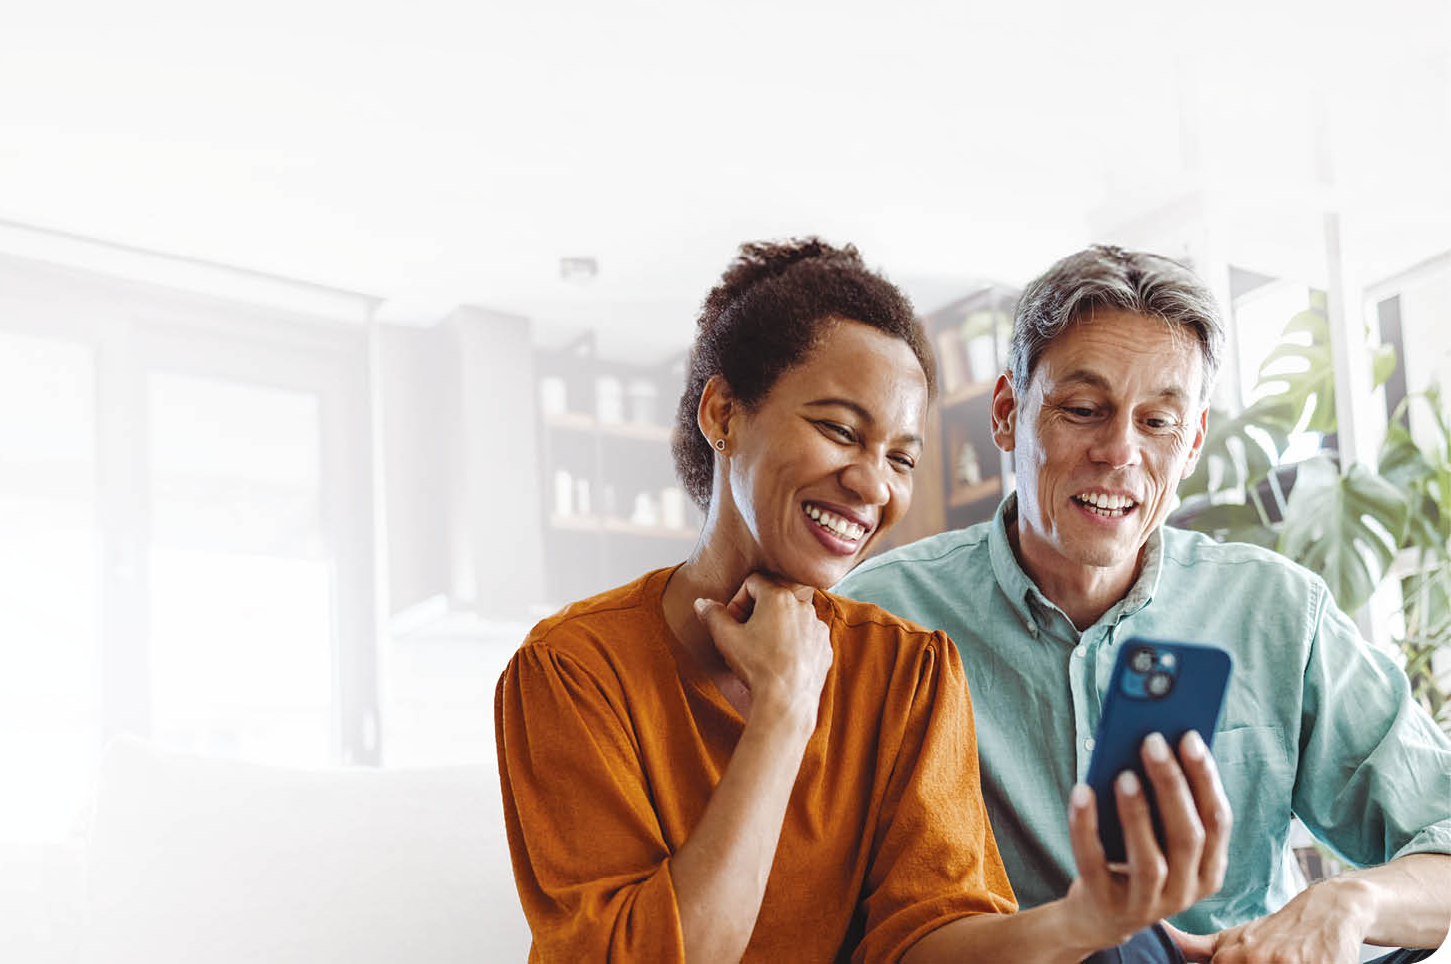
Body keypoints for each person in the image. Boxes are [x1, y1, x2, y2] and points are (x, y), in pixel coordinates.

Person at [495, 238, 1231, 963]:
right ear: (723, 414)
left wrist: (1084, 923)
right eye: (839, 430)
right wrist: (783, 713)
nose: (873, 485)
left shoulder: (908, 668)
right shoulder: (572, 671)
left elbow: (929, 937)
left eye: (901, 457)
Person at [838, 244, 1451, 963]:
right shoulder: (882, 618)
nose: (1118, 451)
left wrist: (1354, 900)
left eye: (1158, 422)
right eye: (1084, 409)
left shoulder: (1279, 612)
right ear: (1007, 413)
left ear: (1192, 442)